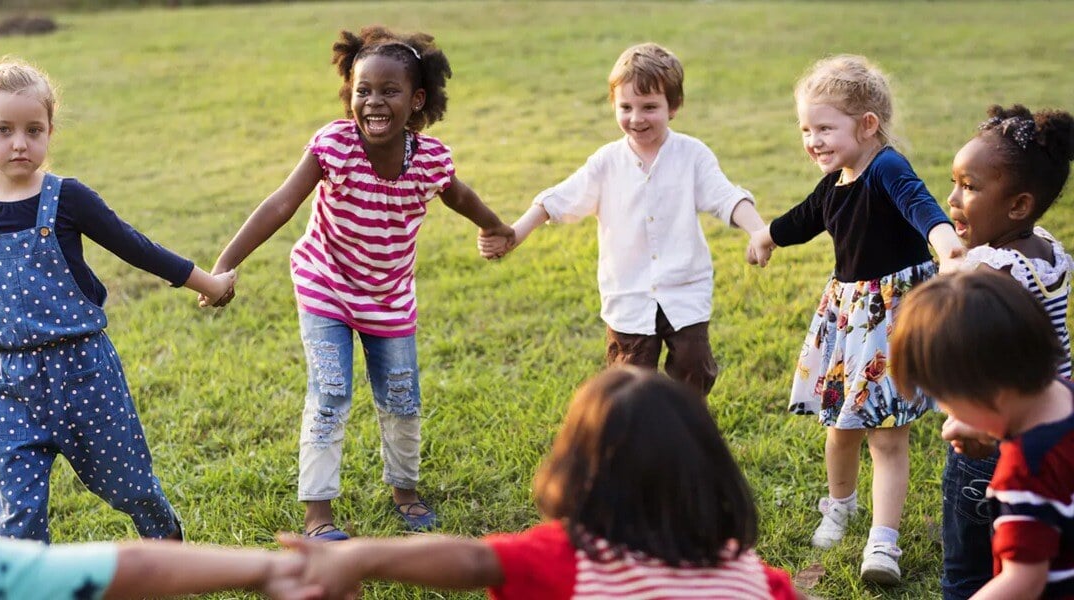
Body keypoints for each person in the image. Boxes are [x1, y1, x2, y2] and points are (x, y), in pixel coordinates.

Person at [0, 57, 237, 542]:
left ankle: (166, 538)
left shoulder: (69, 198)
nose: (20, 142)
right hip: (11, 386)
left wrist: (207, 283)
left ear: (49, 131)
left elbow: (135, 246)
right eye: (4, 129)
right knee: (16, 519)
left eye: (34, 129)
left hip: (85, 372)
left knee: (129, 486)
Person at [206, 26, 515, 541]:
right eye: (362, 90)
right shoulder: (334, 145)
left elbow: (460, 196)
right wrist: (225, 264)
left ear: (416, 100)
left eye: (389, 91)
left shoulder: (430, 159)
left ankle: (405, 492)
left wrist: (495, 226)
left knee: (401, 396)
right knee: (329, 391)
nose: (373, 101)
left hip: (389, 297)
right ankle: (318, 514)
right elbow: (282, 203)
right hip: (324, 283)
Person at [281, 367, 799, 600]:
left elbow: (474, 559)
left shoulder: (575, 561)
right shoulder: (751, 577)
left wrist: (360, 556)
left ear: (581, 471)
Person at [746, 54, 966, 584]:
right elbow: (801, 219)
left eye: (825, 127)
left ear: (867, 126)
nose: (812, 140)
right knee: (841, 425)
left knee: (888, 435)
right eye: (806, 129)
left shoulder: (886, 168)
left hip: (894, 320)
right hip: (848, 321)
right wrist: (765, 236)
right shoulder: (835, 182)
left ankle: (883, 544)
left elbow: (923, 207)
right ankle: (840, 505)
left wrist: (947, 244)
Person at [0, 365, 319, 600]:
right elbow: (139, 567)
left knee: (131, 487)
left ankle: (162, 523)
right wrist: (272, 568)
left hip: (83, 374)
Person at [478, 42, 765, 396]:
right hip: (628, 294)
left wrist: (758, 231)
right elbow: (559, 198)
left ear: (673, 107)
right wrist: (516, 232)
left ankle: (687, 435)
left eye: (649, 107)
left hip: (684, 289)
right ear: (613, 104)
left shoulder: (692, 155)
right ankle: (633, 443)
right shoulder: (606, 162)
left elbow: (726, 197)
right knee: (629, 382)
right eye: (626, 107)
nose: (636, 118)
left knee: (694, 370)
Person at [937, 104, 1074, 599]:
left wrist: (950, 261)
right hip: (1052, 417)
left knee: (967, 566)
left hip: (987, 431)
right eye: (954, 182)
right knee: (1036, 534)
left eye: (969, 188)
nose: (952, 199)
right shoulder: (1046, 251)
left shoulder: (987, 271)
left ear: (1018, 205)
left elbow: (956, 338)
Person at [892, 270, 1074, 599]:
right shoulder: (1063, 395)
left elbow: (1024, 580)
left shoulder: (1024, 475)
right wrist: (991, 429)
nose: (948, 415)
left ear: (992, 395)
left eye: (949, 404)